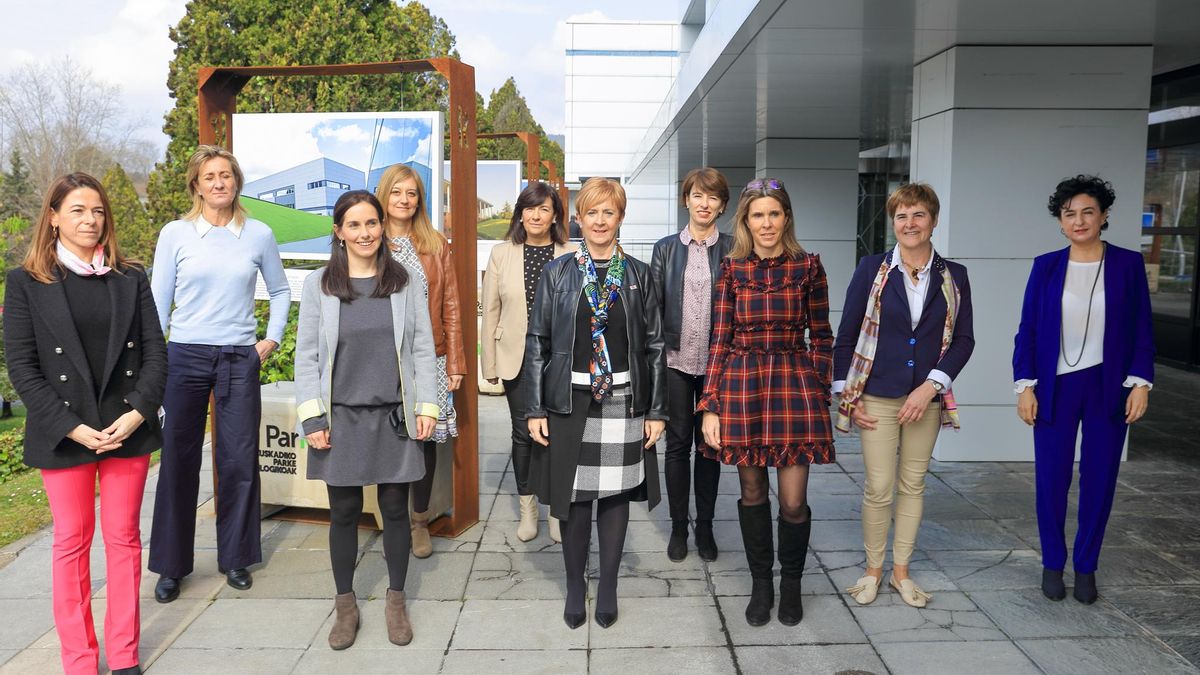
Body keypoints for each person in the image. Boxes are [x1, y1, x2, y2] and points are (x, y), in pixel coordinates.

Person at [4, 173, 167, 675]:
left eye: (97, 211)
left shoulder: (130, 277)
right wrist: (72, 426)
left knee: (123, 541)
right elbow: (23, 368)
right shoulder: (26, 282)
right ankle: (78, 658)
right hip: (65, 432)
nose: (90, 220)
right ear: (53, 216)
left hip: (126, 429)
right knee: (71, 542)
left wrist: (136, 412)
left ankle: (122, 655)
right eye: (77, 210)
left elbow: (157, 354)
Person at [295, 191, 439, 649]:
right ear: (339, 231)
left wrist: (426, 406)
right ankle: (346, 606)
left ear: (382, 227)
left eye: (371, 224)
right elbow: (307, 356)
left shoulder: (403, 283)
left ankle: (396, 601)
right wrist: (312, 417)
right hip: (339, 420)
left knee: (396, 511)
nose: (365, 233)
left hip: (395, 418)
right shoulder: (319, 284)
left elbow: (421, 347)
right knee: (343, 513)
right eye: (354, 225)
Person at [149, 146, 291, 602]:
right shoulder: (176, 234)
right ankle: (171, 565)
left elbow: (281, 290)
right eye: (209, 176)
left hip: (237, 356)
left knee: (238, 459)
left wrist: (269, 339)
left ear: (236, 182)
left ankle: (236, 558)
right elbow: (157, 300)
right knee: (178, 460)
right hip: (185, 356)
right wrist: (155, 358)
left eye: (226, 175)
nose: (218, 183)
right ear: (196, 184)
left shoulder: (259, 234)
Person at [524, 177, 667, 630]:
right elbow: (538, 341)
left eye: (610, 212)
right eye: (592, 212)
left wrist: (657, 411)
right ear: (578, 219)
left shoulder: (640, 275)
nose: (600, 221)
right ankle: (572, 585)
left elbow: (656, 346)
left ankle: (607, 585)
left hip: (623, 399)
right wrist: (533, 407)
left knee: (614, 496)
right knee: (574, 497)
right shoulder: (558, 272)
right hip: (569, 398)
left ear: (620, 217)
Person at [698, 178, 834, 628]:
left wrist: (817, 383)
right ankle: (762, 585)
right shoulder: (733, 271)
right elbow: (719, 341)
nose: (767, 222)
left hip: (795, 387)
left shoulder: (810, 268)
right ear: (746, 221)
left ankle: (791, 583)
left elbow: (823, 336)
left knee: (793, 502)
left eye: (774, 213)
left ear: (786, 217)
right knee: (752, 491)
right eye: (758, 215)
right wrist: (711, 405)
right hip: (743, 387)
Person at [1013, 175, 1153, 604]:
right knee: (1051, 479)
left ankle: (1086, 567)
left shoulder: (1128, 265)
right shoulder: (1046, 266)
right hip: (1055, 386)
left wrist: (1141, 382)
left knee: (1100, 479)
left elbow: (1142, 329)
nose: (1079, 220)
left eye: (1087, 211)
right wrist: (1025, 385)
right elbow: (1029, 331)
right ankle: (1053, 563)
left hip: (1110, 386)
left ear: (1104, 215)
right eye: (1069, 213)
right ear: (1060, 220)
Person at [833, 183, 974, 609]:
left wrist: (932, 385)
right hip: (875, 396)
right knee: (878, 487)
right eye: (901, 216)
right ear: (893, 222)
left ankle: (901, 573)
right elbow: (847, 335)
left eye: (918, 215)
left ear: (933, 220)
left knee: (912, 485)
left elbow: (964, 340)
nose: (910, 224)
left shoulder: (954, 275)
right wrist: (847, 395)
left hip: (925, 400)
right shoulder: (872, 269)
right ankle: (873, 570)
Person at [375, 164, 466, 559]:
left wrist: (456, 361)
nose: (404, 200)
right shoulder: (369, 240)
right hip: (381, 358)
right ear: (384, 195)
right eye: (397, 192)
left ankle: (418, 521)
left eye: (411, 193)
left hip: (429, 356)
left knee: (424, 439)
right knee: (385, 438)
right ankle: (391, 520)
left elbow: (451, 304)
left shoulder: (434, 243)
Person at [482, 182, 574, 543]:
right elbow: (490, 311)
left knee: (558, 436)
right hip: (515, 359)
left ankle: (555, 509)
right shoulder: (501, 254)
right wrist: (488, 366)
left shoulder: (570, 253)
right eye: (530, 208)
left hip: (561, 359)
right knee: (523, 435)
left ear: (555, 216)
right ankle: (528, 507)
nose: (536, 215)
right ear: (521, 213)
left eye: (544, 209)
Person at [649, 167, 733, 562]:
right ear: (686, 199)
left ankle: (706, 528)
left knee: (710, 448)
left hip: (718, 366)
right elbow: (654, 311)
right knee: (678, 445)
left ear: (722, 206)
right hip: (676, 362)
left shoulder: (734, 249)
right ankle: (679, 527)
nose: (704, 203)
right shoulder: (665, 248)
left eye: (713, 197)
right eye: (698, 195)